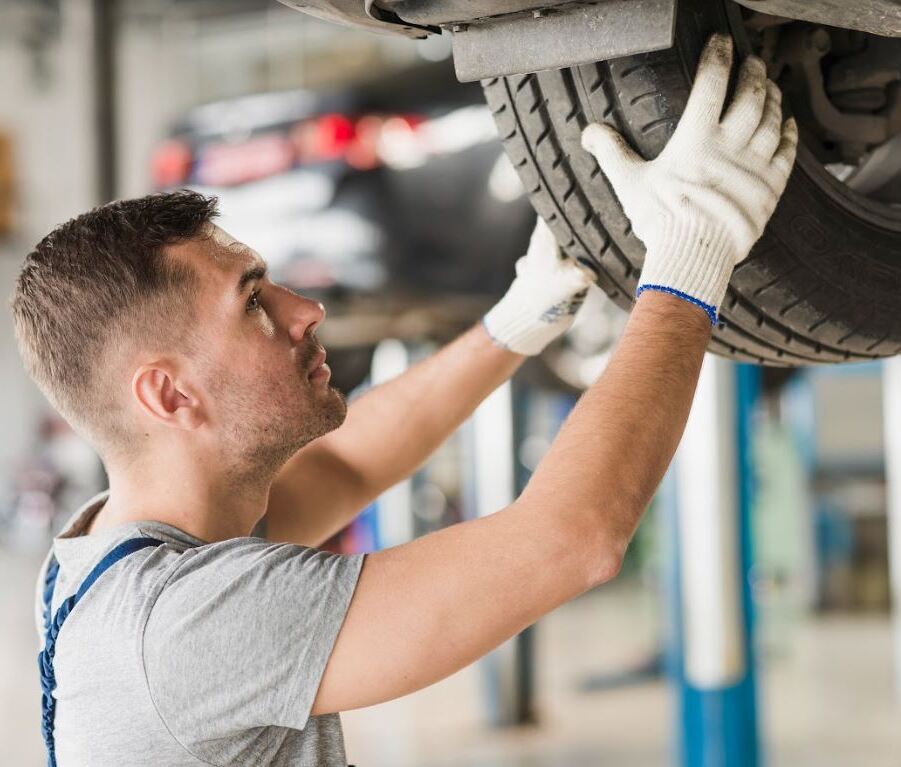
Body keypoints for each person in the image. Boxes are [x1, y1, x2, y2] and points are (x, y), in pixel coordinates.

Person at [13, 33, 796, 767]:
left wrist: (513, 324)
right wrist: (691, 257)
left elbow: (348, 464)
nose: (305, 309)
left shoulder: (110, 552)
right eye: (253, 302)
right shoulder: (184, 629)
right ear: (169, 392)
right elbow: (570, 539)